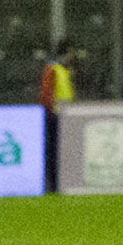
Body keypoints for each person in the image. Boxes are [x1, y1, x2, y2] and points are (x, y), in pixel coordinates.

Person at [40, 39, 79, 193]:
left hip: (66, 116)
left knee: (62, 151)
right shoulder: (53, 69)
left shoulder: (64, 70)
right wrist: (52, 109)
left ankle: (61, 182)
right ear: (66, 53)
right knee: (54, 151)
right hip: (55, 116)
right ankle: (54, 185)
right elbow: (46, 94)